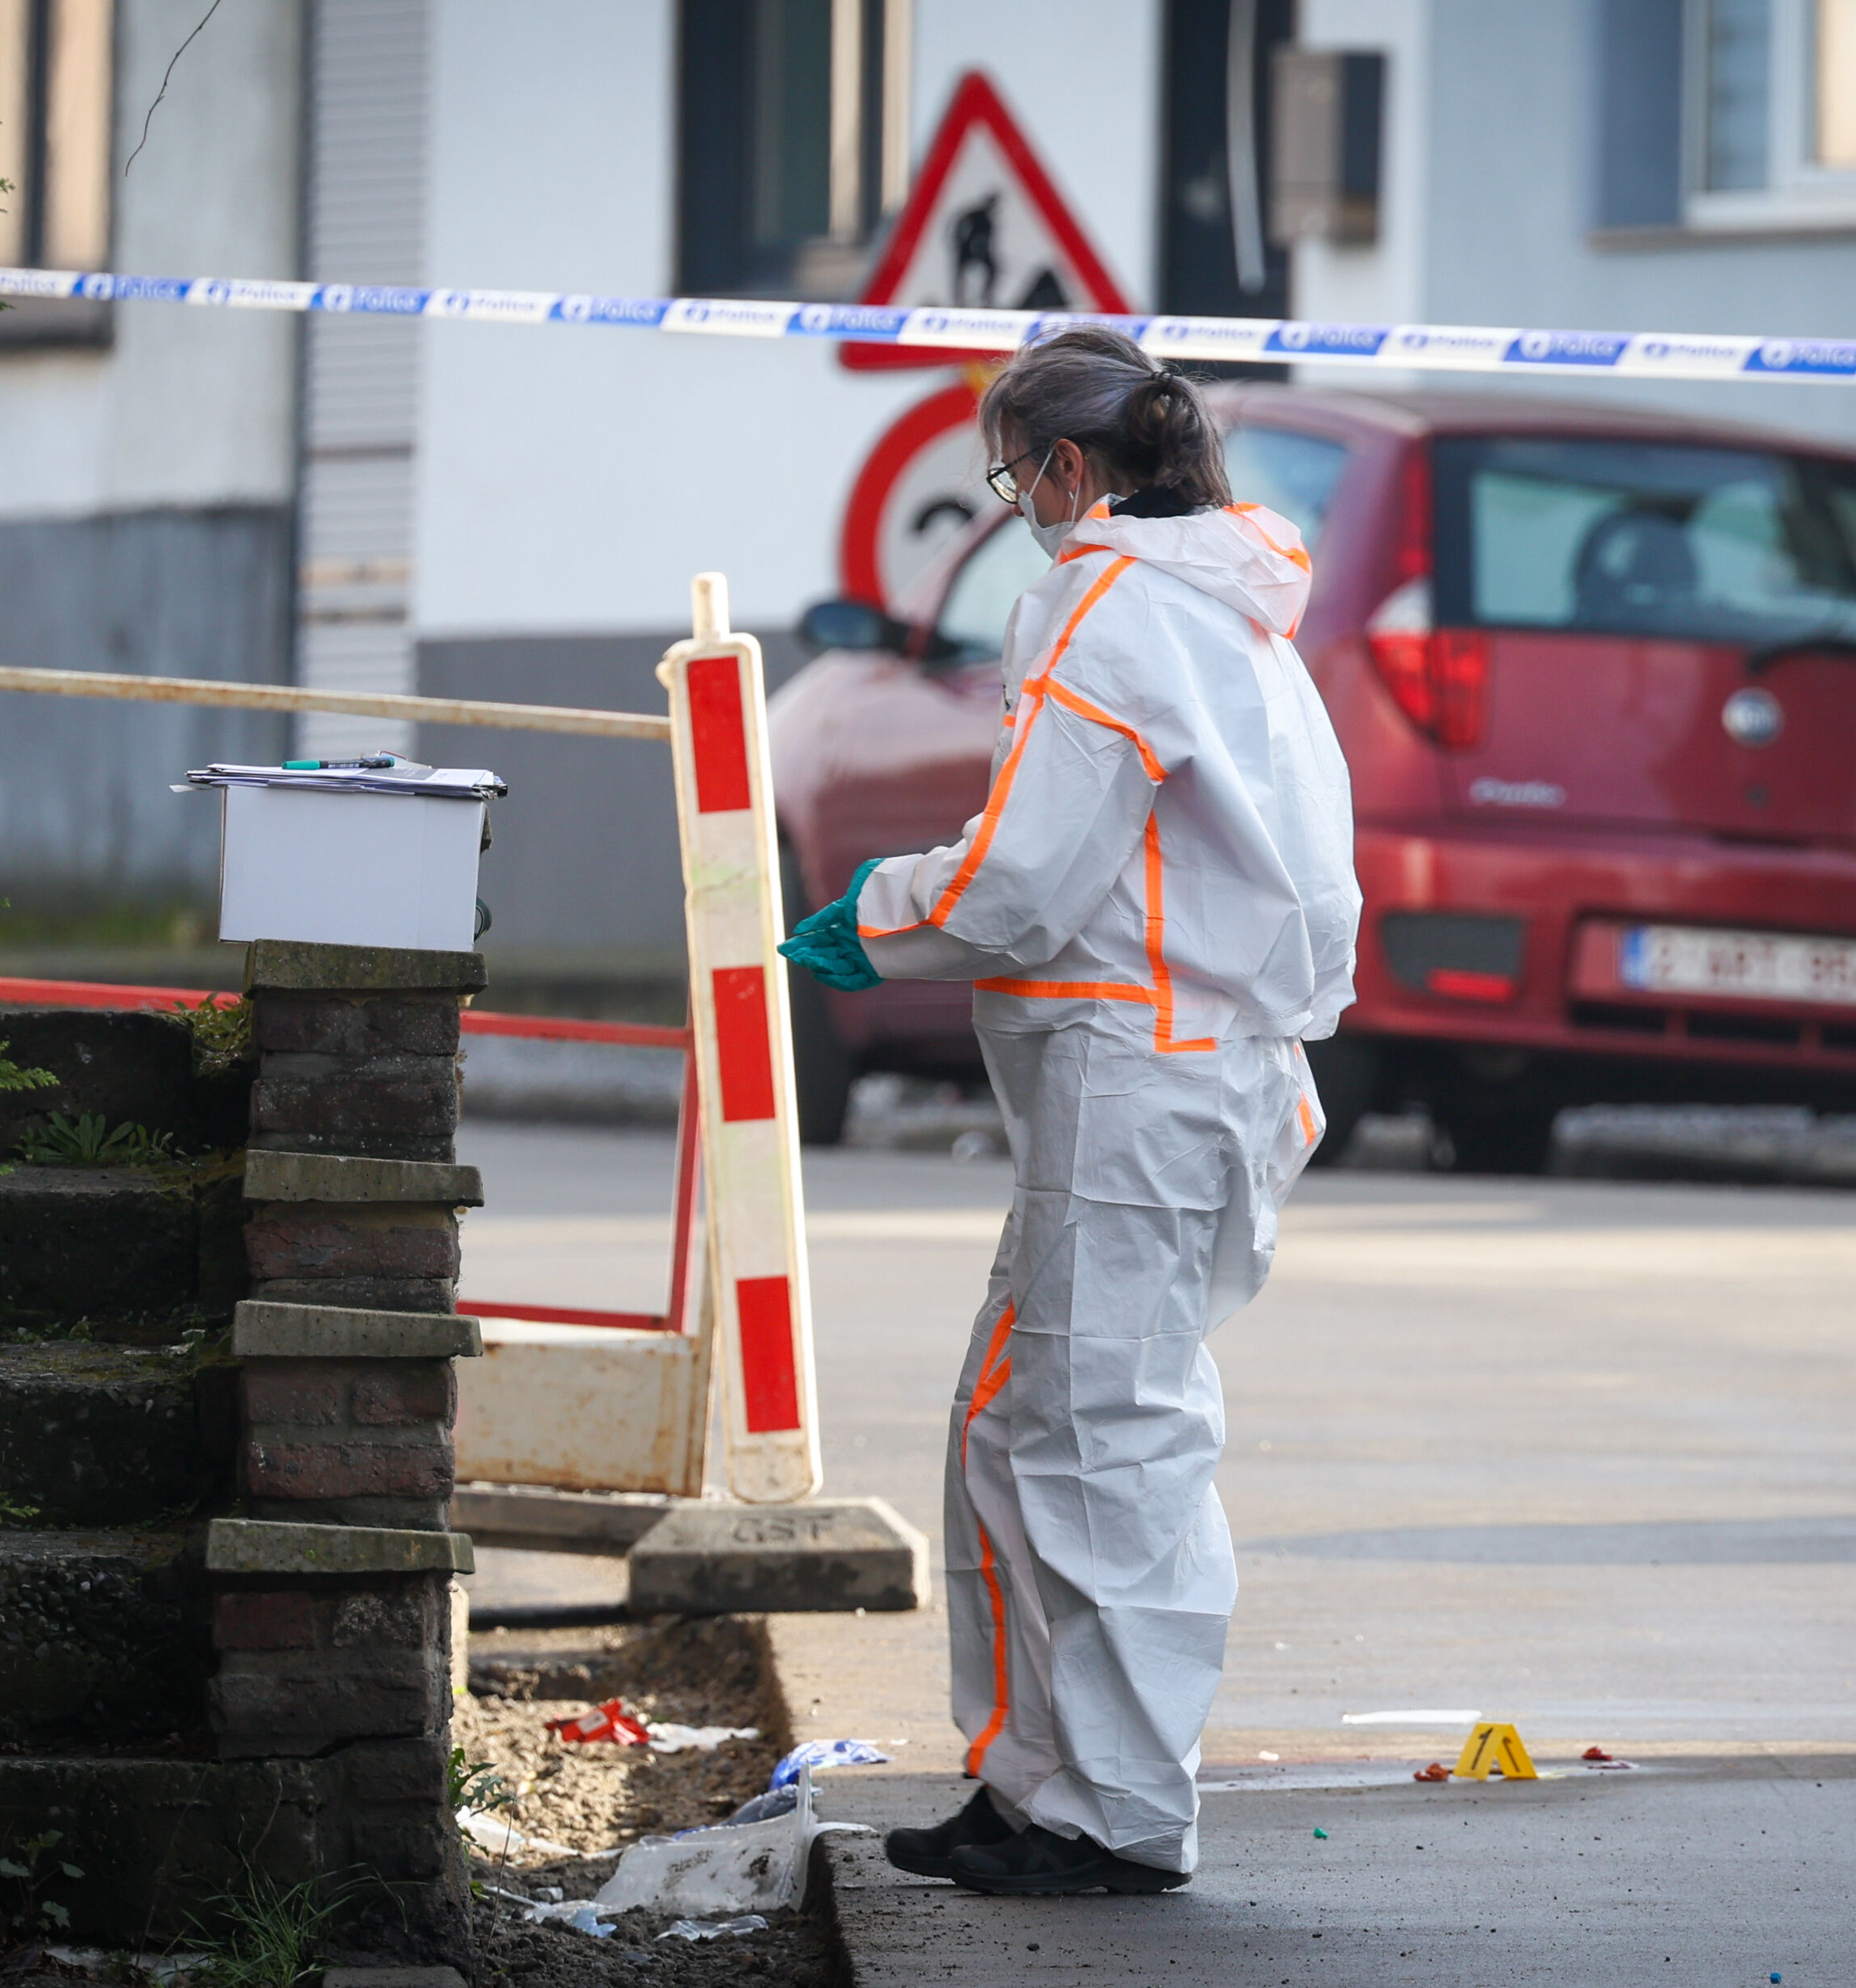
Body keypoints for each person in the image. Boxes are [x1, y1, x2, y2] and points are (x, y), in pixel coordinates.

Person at [778, 327, 1359, 1896]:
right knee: (1026, 1432)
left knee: (1102, 1451)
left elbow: (1027, 878)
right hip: (1195, 1075)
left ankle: (1114, 1814)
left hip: (1136, 1081)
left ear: (1065, 467)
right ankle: (1035, 1780)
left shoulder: (1107, 604)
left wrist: (880, 913)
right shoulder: (1237, 614)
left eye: (1011, 478)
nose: (1019, 507)